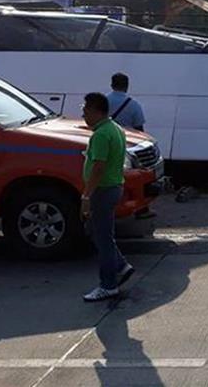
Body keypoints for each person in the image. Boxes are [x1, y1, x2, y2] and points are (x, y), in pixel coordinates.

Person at [80, 93, 135, 302]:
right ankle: (120, 265)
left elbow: (99, 167)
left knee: (102, 238)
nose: (83, 115)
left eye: (85, 111)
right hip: (113, 187)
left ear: (96, 111)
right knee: (100, 233)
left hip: (103, 190)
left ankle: (108, 285)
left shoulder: (101, 135)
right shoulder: (115, 128)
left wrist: (87, 195)